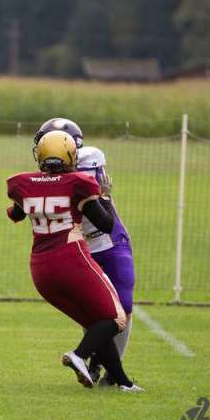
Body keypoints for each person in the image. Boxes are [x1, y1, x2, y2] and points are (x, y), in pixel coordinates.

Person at [6, 130, 142, 391]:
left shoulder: (22, 183)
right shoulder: (79, 183)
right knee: (116, 317)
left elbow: (16, 213)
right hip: (71, 257)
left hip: (40, 268)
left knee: (95, 321)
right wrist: (101, 195)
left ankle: (122, 382)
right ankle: (79, 355)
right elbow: (106, 222)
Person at [76, 145, 135, 385]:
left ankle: (113, 368)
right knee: (90, 309)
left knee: (124, 306)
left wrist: (105, 197)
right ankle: (95, 360)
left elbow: (106, 220)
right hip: (81, 247)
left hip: (112, 245)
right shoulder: (59, 181)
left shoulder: (95, 178)